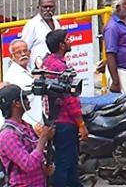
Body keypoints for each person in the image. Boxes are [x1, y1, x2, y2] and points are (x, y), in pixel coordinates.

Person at [40, 30, 81, 187]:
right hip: (65, 121)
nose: (70, 41)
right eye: (67, 39)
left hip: (54, 118)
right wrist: (81, 124)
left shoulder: (48, 63)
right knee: (66, 163)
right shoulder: (60, 68)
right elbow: (70, 100)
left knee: (65, 161)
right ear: (61, 45)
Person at [0, 83, 50, 187]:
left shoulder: (26, 127)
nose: (28, 100)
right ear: (16, 103)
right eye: (24, 98)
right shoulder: (7, 135)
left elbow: (37, 151)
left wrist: (43, 166)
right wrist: (43, 137)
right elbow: (28, 164)